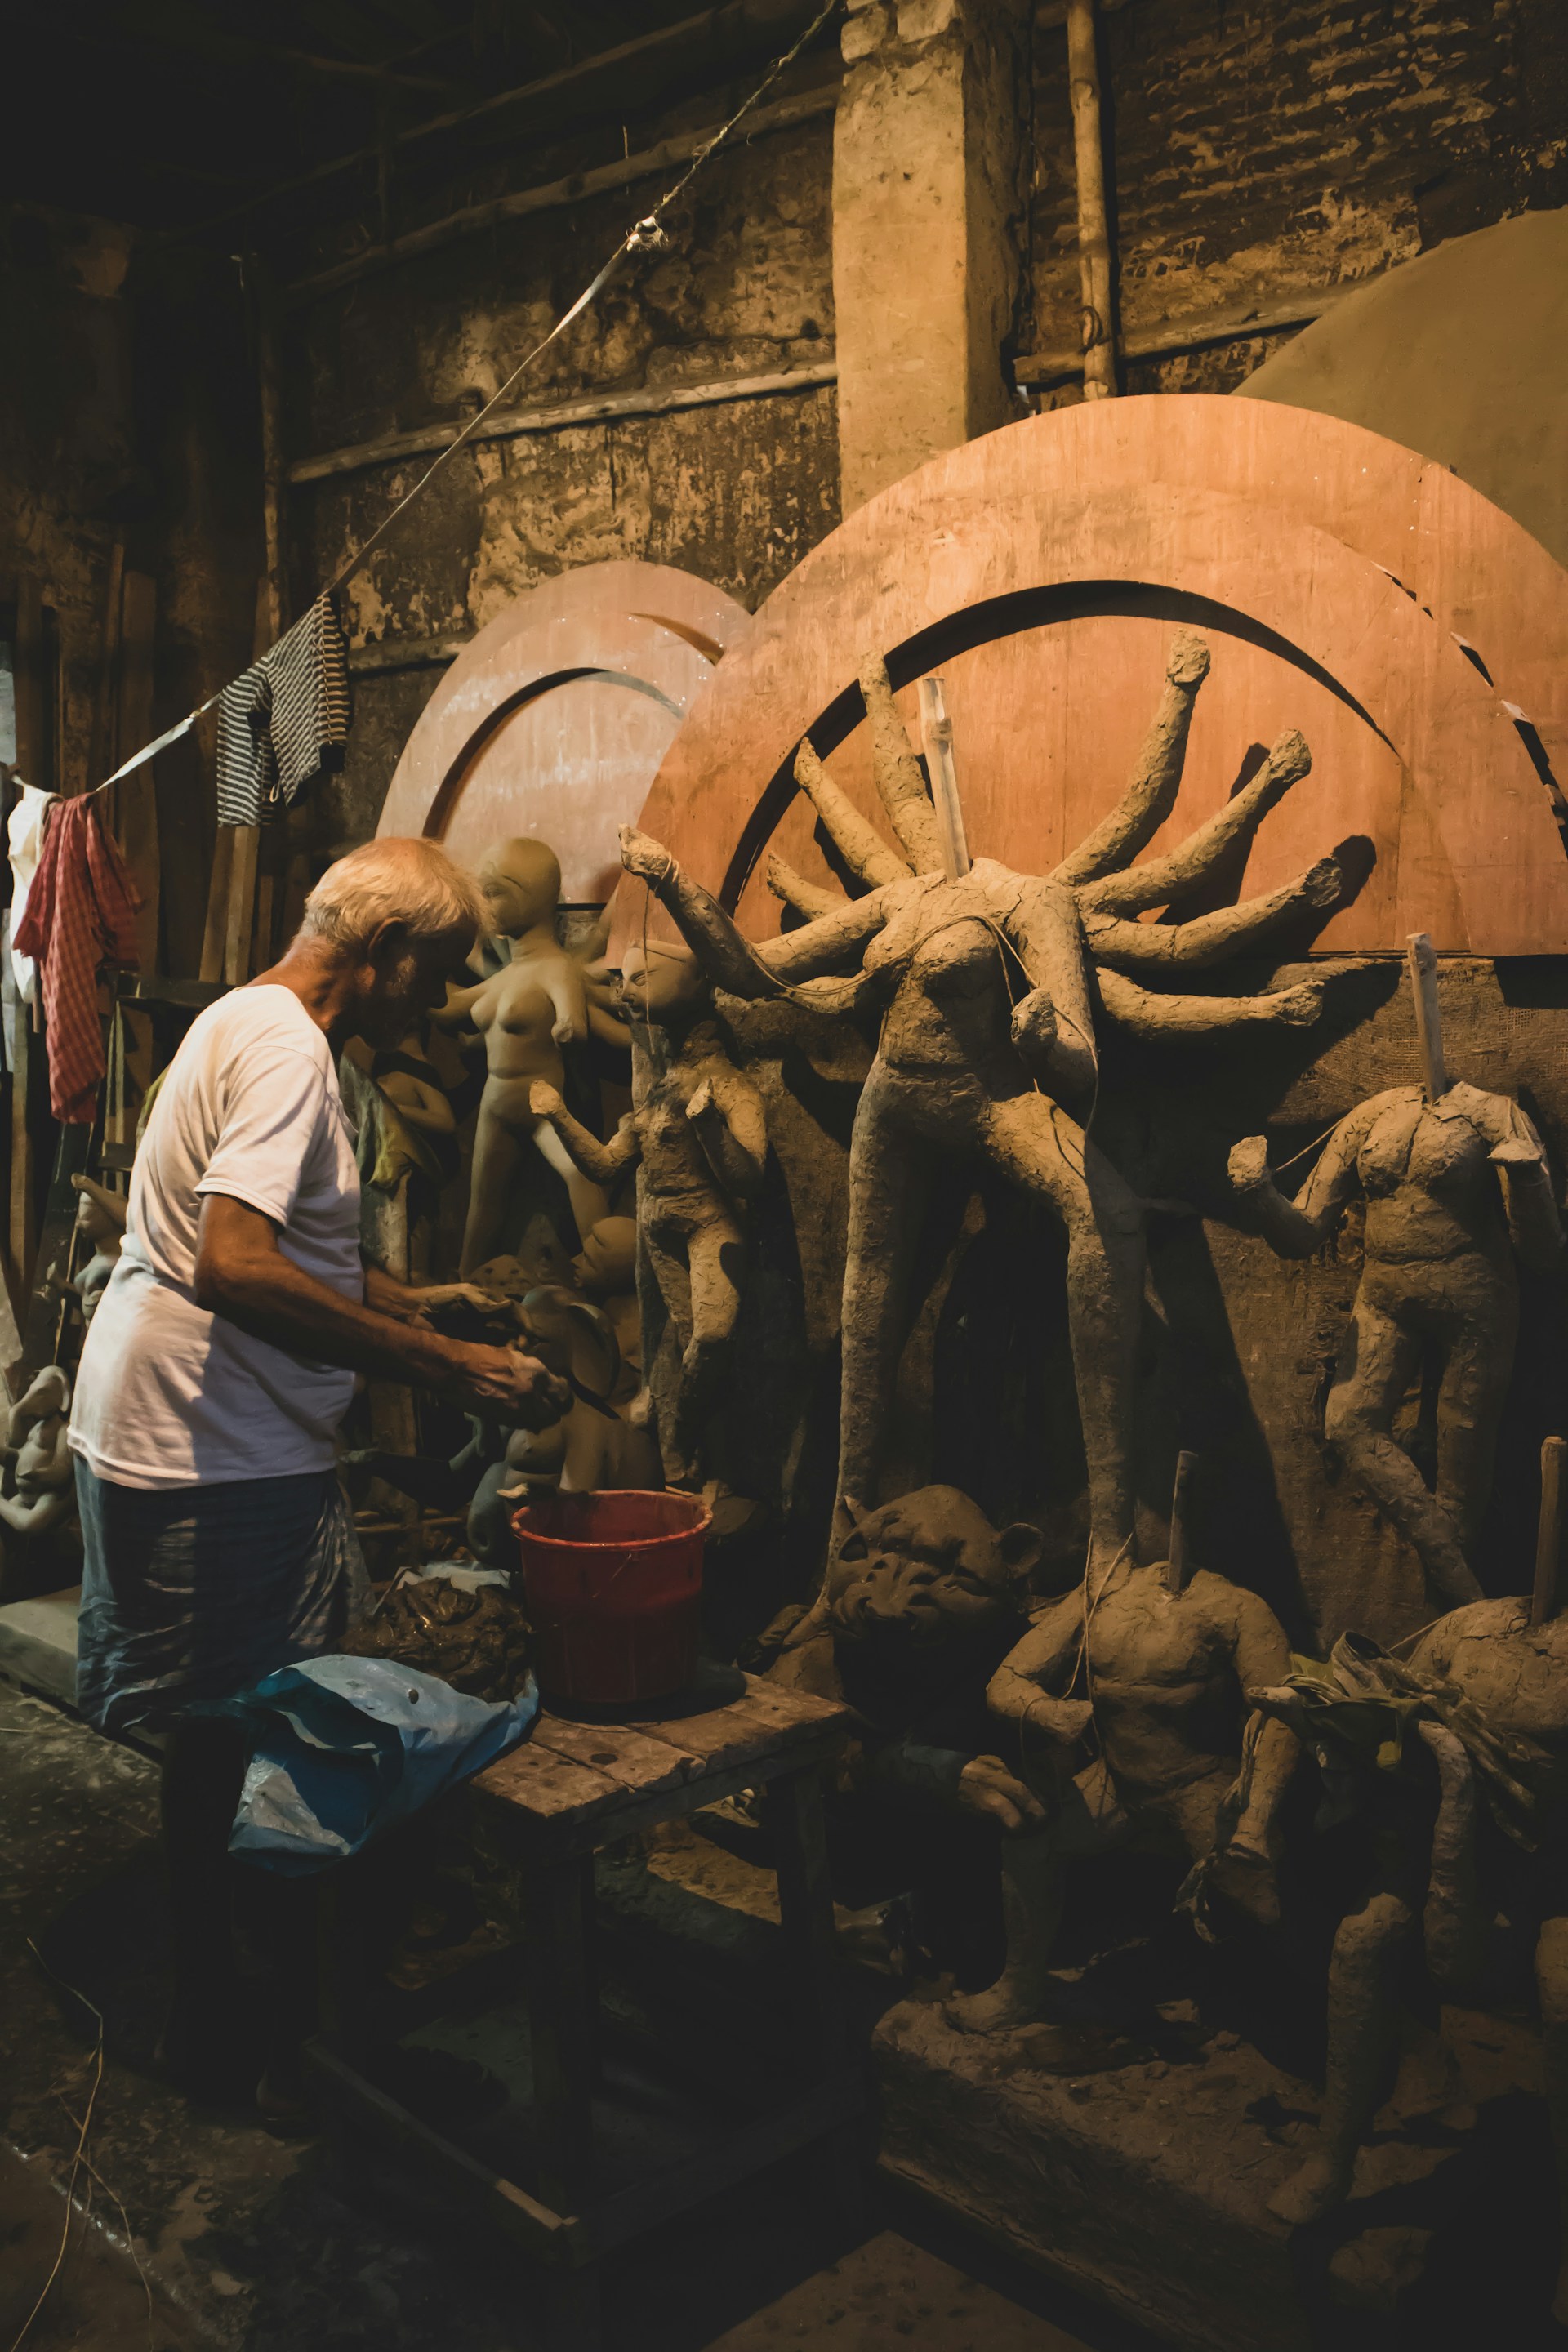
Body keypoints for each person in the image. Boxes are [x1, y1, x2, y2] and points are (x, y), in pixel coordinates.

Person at [69, 835, 569, 2111]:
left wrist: (416, 1297)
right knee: (262, 1738)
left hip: (169, 1424)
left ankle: (231, 2005)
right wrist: (439, 1364)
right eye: (434, 973)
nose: (433, 1002)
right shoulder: (296, 1053)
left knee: (218, 1733)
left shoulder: (243, 1016)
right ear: (387, 956)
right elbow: (234, 1266)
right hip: (208, 1445)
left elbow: (250, 1243)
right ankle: (264, 2030)